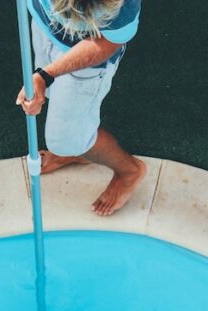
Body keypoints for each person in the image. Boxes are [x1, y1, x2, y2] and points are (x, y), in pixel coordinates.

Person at [16, 0, 145, 216]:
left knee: (66, 140)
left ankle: (129, 172)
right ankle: (74, 153)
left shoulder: (124, 6)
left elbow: (107, 42)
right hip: (44, 24)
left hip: (85, 58)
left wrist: (46, 75)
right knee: (49, 95)